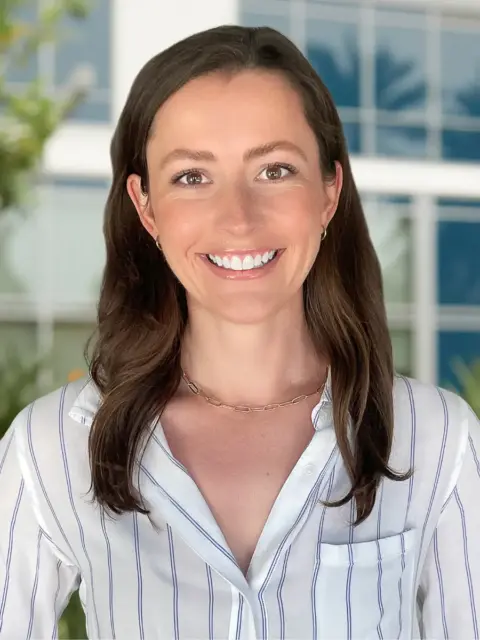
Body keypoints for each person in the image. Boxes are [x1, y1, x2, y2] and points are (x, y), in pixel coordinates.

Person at [0, 24, 479, 640]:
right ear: (146, 207)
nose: (238, 218)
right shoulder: (49, 449)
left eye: (275, 170)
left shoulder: (438, 442)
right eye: (192, 177)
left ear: (329, 191)